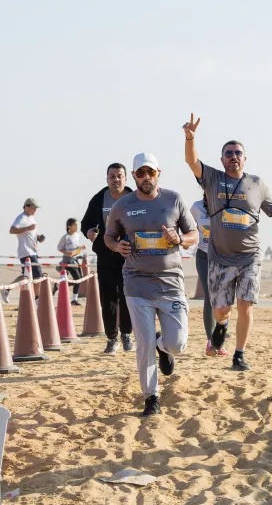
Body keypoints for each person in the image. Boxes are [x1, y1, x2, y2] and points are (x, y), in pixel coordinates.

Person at [182, 113, 272, 371]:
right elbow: (192, 161)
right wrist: (190, 138)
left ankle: (239, 354)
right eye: (228, 153)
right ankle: (222, 325)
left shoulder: (257, 183)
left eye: (238, 152)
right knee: (221, 310)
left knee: (246, 306)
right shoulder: (213, 178)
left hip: (249, 256)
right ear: (222, 159)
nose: (233, 156)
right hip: (219, 256)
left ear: (245, 158)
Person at [104, 153, 198, 417]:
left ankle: (163, 345)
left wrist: (179, 239)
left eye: (151, 173)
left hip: (171, 283)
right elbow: (109, 237)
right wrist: (117, 246)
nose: (146, 178)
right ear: (134, 176)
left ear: (159, 173)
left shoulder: (174, 199)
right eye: (141, 173)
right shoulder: (122, 206)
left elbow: (194, 235)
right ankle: (151, 397)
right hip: (137, 284)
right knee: (143, 343)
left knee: (178, 344)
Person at [81, 164, 135, 354]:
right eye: (112, 176)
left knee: (128, 296)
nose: (116, 179)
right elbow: (85, 223)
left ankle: (127, 334)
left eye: (119, 176)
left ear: (126, 179)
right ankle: (112, 338)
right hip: (105, 255)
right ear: (107, 179)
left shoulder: (134, 198)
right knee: (108, 299)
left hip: (129, 255)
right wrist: (89, 232)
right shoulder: (98, 199)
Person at [191, 194, 227, 357]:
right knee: (210, 294)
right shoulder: (196, 208)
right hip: (204, 255)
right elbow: (187, 227)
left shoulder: (227, 206)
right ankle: (209, 341)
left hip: (224, 256)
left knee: (223, 297)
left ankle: (220, 342)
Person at [10, 198, 45, 281]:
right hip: (26, 252)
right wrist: (27, 228)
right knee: (37, 276)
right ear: (26, 207)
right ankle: (37, 295)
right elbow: (12, 230)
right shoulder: (21, 218)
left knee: (28, 276)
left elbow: (30, 233)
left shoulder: (31, 218)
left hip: (32, 251)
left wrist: (38, 237)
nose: (35, 210)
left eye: (36, 208)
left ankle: (7, 289)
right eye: (33, 208)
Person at [57, 218, 87, 306]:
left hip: (75, 260)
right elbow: (59, 247)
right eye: (74, 225)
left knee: (79, 279)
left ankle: (73, 298)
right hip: (67, 260)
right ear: (69, 226)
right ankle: (73, 298)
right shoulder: (65, 237)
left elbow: (76, 248)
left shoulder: (77, 235)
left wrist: (81, 248)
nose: (76, 227)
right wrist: (67, 253)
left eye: (77, 225)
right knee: (78, 279)